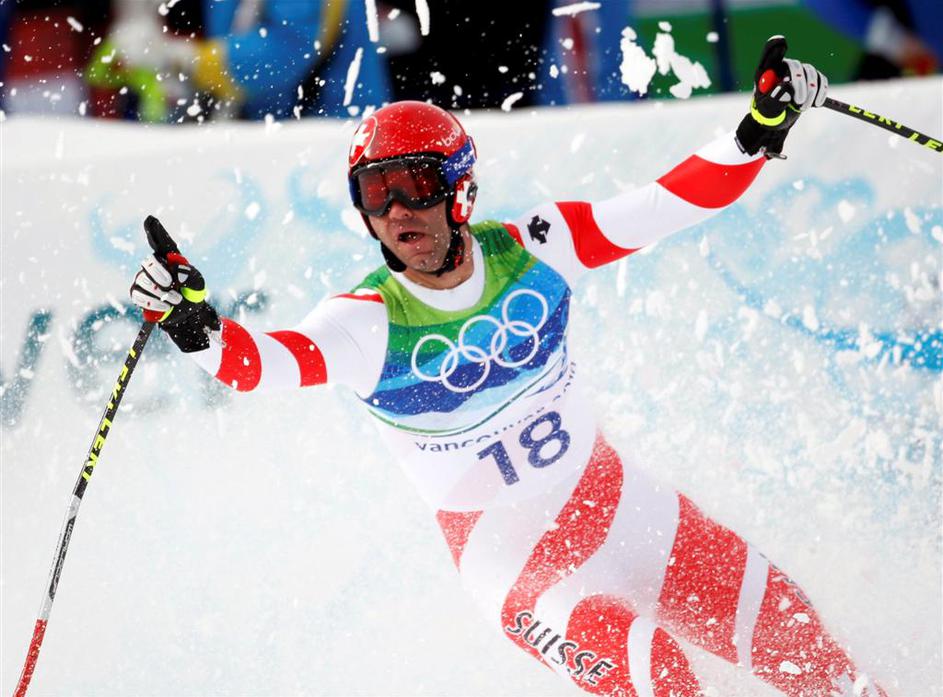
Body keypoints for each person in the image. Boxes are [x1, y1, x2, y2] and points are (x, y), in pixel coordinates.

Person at [129, 37, 885, 696]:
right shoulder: (363, 322)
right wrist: (197, 327)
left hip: (631, 513)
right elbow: (260, 365)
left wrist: (756, 131)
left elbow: (667, 202)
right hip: (527, 575)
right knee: (663, 678)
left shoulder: (537, 245)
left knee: (818, 663)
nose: (397, 210)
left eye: (415, 184)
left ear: (460, 187)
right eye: (376, 193)